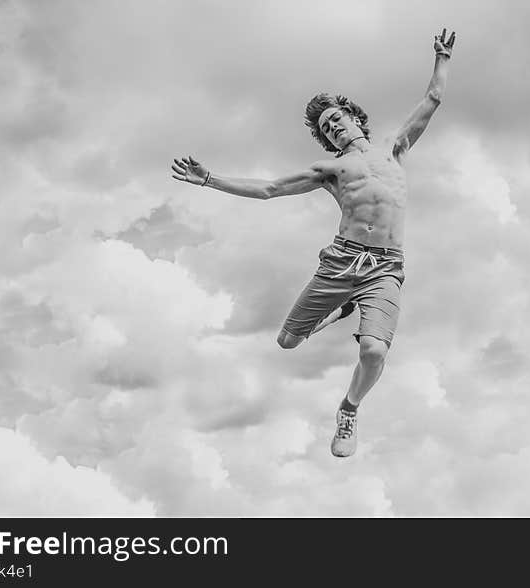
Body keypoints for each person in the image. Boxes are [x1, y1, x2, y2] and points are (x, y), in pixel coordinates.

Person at [172, 29, 456, 457]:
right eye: (327, 129)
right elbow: (269, 188)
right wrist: (210, 179)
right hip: (341, 262)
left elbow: (432, 99)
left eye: (337, 118)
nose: (335, 127)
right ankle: (341, 306)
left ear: (355, 117)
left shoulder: (395, 149)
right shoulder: (330, 170)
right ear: (327, 140)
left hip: (386, 267)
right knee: (286, 341)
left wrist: (442, 58)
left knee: (374, 351)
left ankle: (349, 410)